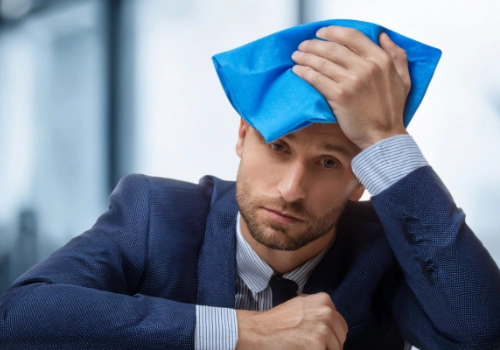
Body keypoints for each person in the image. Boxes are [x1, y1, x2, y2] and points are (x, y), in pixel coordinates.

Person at [1, 25, 500, 350]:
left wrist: (384, 137)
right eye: (278, 148)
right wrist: (245, 332)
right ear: (242, 136)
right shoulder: (156, 214)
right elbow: (19, 319)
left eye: (329, 162)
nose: (290, 189)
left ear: (361, 180)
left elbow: (484, 334)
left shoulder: (386, 246)